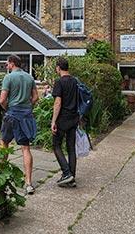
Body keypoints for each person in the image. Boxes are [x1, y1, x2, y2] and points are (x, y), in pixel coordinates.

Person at [0, 54, 39, 195]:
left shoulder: (8, 78)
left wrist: (7, 108)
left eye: (7, 64)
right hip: (26, 115)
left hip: (12, 114)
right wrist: (28, 107)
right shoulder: (29, 77)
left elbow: (2, 100)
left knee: (4, 143)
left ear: (12, 63)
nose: (6, 66)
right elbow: (36, 97)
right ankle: (28, 183)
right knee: (25, 148)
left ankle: (1, 176)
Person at [51, 57, 80, 187]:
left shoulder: (59, 82)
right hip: (74, 118)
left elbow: (58, 103)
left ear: (58, 68)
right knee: (71, 148)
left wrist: (53, 121)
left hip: (63, 119)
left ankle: (66, 173)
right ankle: (71, 177)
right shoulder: (75, 81)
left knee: (56, 145)